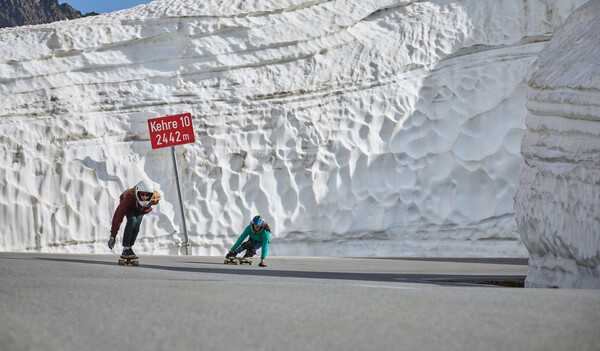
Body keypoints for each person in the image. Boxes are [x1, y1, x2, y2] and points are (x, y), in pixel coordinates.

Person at [108, 179, 161, 258]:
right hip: (130, 205)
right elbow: (118, 216)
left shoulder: (154, 199)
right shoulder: (129, 197)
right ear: (137, 192)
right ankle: (126, 249)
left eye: (147, 195)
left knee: (136, 226)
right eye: (142, 194)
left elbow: (149, 201)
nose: (144, 197)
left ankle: (129, 247)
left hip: (141, 209)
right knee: (132, 221)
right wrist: (113, 236)